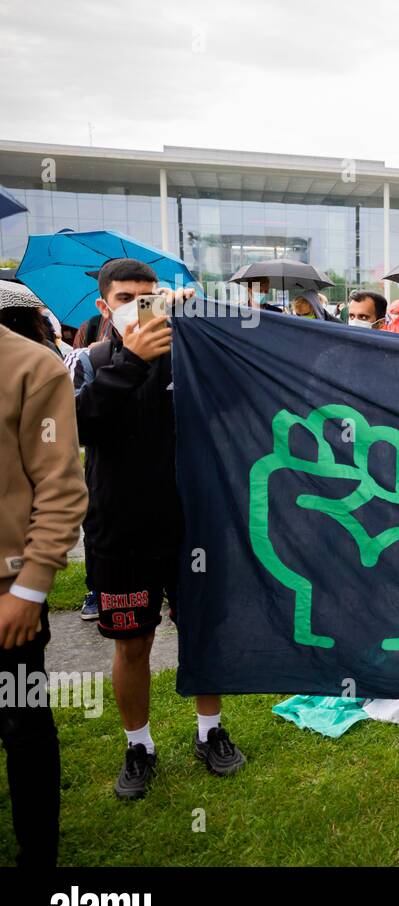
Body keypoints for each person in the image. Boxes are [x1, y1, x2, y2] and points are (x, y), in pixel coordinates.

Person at [72, 258, 245, 799]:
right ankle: (138, 745)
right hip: (121, 530)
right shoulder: (88, 361)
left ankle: (209, 731)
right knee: (132, 643)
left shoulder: (189, 358)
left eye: (150, 296)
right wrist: (130, 363)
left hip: (195, 524)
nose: (139, 306)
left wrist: (209, 326)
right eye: (126, 297)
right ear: (105, 306)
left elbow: (240, 401)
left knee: (203, 631)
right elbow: (76, 425)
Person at [1, 315, 88, 865]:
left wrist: (29, 589)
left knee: (23, 726)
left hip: (7, 596)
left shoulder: (33, 366)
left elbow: (60, 486)